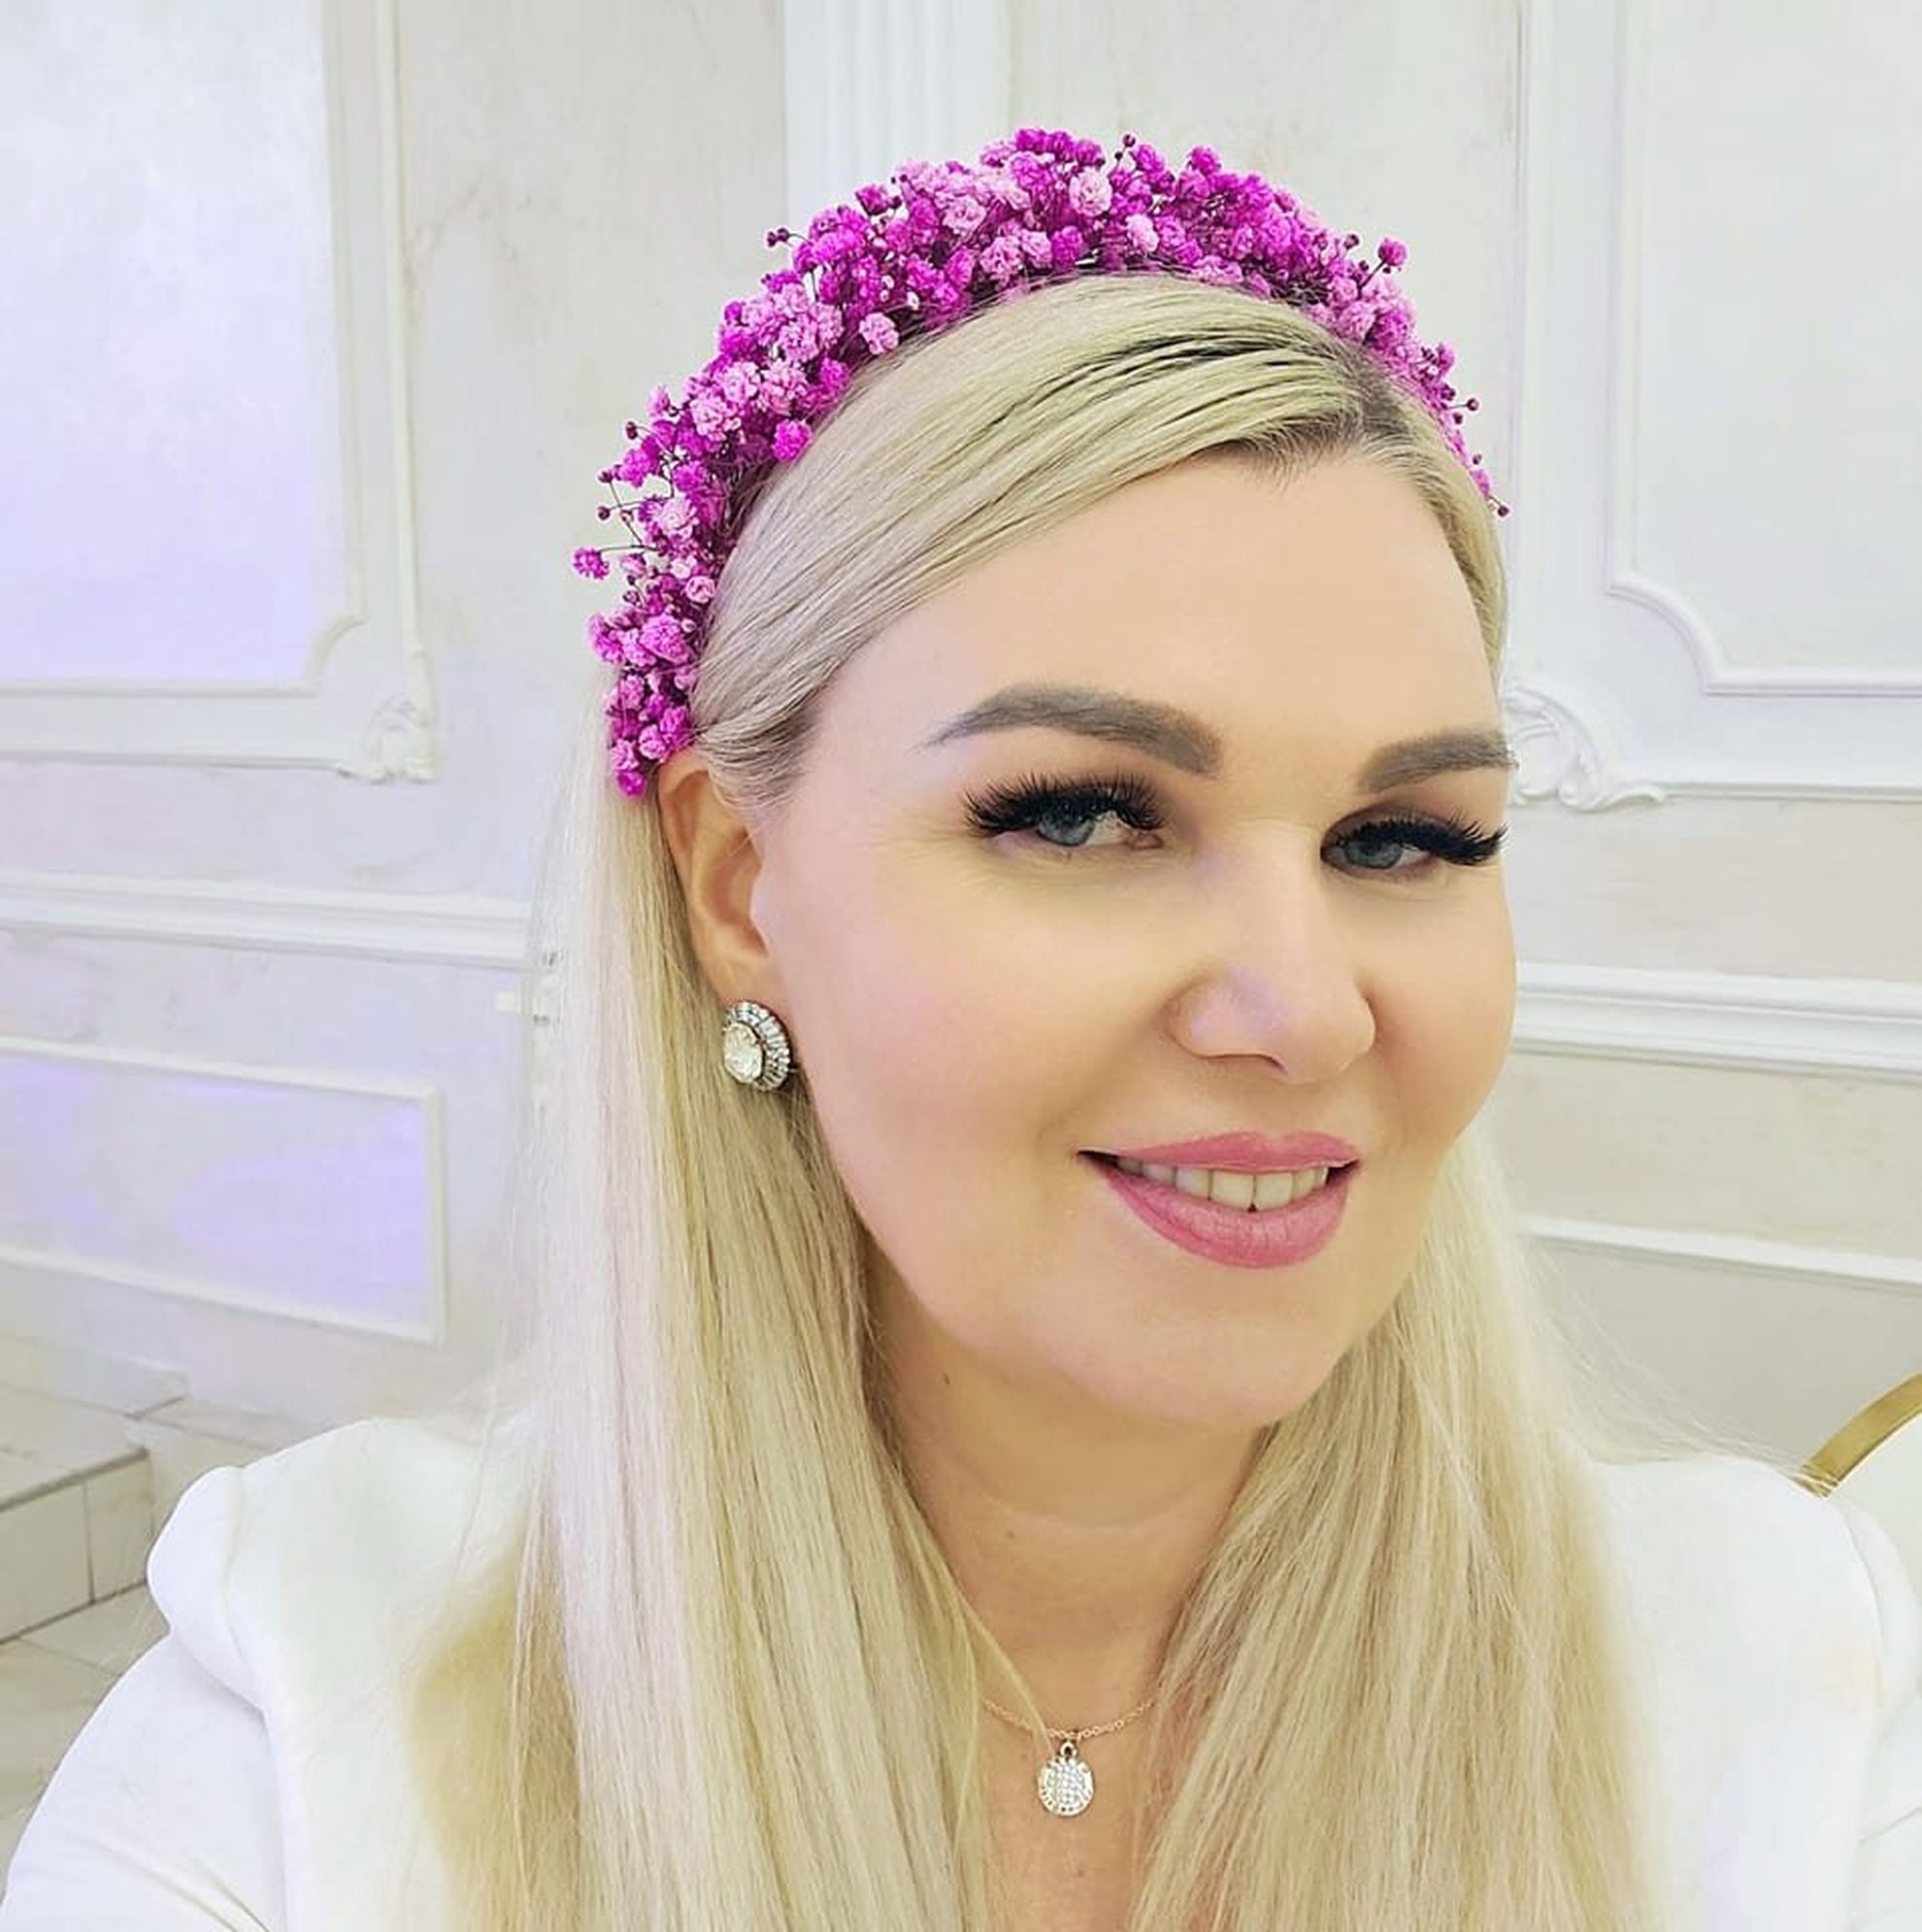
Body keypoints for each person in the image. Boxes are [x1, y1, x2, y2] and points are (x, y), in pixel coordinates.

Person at [4, 127, 1917, 1932]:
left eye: (1403, 836)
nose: (1305, 1006)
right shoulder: (313, 1723)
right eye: (1081, 815)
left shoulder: (1777, 1684)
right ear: (739, 887)